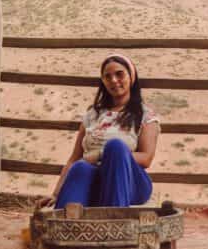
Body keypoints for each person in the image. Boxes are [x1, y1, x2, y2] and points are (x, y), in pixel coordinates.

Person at [50, 54, 160, 208]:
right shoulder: (92, 115)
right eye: (107, 77)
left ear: (131, 76)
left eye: (119, 74)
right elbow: (74, 158)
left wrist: (100, 154)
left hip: (131, 182)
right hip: (97, 180)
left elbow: (146, 158)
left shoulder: (145, 115)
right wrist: (56, 193)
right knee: (80, 167)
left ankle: (116, 217)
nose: (114, 80)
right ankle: (63, 223)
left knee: (116, 147)